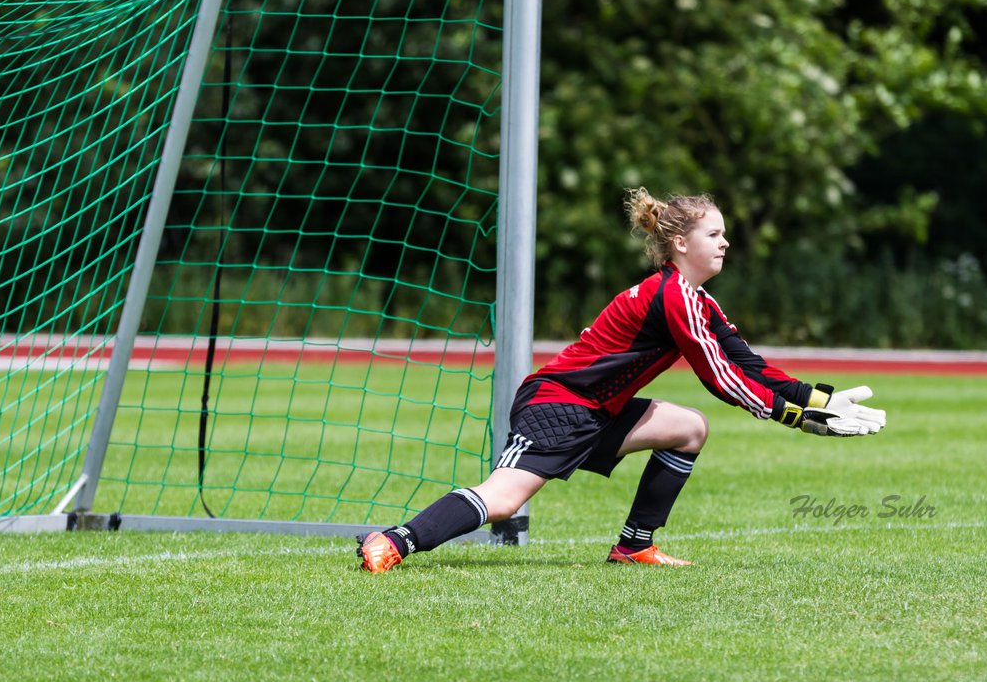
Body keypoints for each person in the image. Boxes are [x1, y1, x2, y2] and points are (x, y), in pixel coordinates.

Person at [356, 188, 886, 572]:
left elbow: (748, 364)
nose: (726, 243)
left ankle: (633, 546)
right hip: (558, 406)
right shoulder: (674, 296)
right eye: (715, 234)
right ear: (680, 242)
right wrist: (794, 415)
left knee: (688, 428)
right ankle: (395, 541)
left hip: (599, 410)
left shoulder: (695, 298)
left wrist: (820, 397)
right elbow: (720, 377)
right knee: (504, 499)